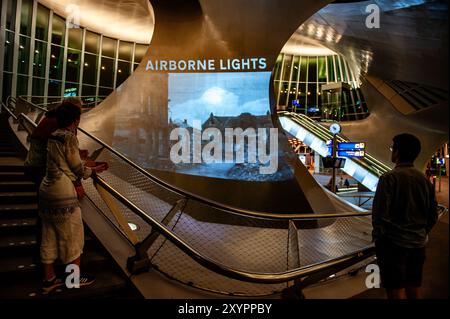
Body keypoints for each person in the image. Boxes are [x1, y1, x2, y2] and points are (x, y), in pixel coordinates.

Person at [38, 99, 108, 293]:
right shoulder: (69, 137)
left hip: (46, 190)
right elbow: (77, 169)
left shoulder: (53, 136)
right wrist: (94, 171)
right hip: (63, 192)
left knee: (49, 236)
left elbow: (63, 161)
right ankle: (73, 279)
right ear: (75, 120)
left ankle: (49, 279)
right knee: (74, 238)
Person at [372, 133, 438, 299]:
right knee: (413, 287)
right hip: (418, 244)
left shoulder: (388, 178)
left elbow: (379, 215)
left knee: (395, 290)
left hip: (394, 246)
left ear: (398, 152)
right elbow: (432, 214)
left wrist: (380, 239)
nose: (391, 151)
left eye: (392, 148)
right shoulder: (424, 180)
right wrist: (421, 232)